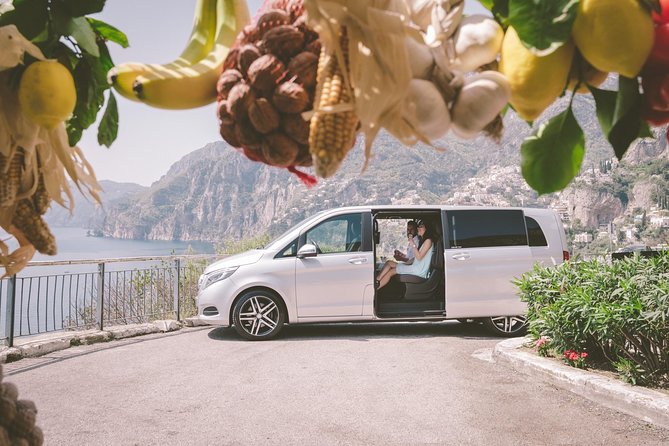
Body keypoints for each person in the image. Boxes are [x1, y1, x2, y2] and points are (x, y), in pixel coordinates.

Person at [376, 220, 434, 289]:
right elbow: (415, 258)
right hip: (416, 266)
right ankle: (376, 282)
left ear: (427, 229)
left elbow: (419, 257)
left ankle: (376, 286)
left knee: (391, 271)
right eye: (418, 227)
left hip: (418, 270)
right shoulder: (425, 241)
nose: (418, 229)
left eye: (421, 227)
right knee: (390, 264)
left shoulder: (428, 241)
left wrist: (412, 242)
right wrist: (404, 262)